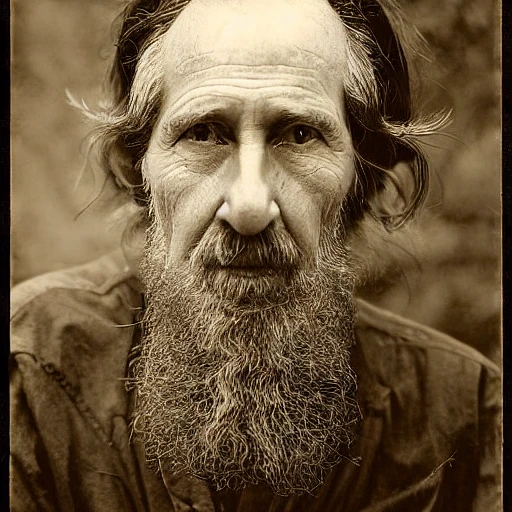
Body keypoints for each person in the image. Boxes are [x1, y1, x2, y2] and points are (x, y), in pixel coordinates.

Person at [10, 0, 501, 510]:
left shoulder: (464, 411)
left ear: (363, 176)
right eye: (202, 132)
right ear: (138, 170)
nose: (249, 207)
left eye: (300, 134)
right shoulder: (32, 374)